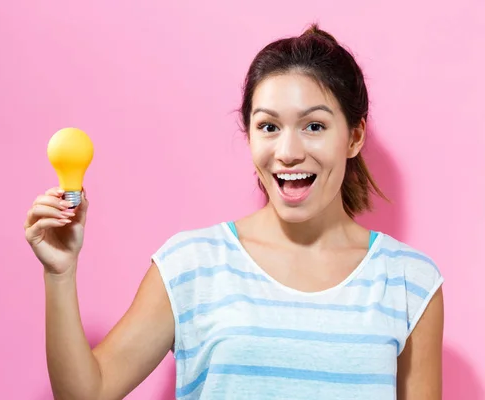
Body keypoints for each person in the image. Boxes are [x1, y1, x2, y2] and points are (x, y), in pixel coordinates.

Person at [24, 24, 444, 400]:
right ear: (249, 136)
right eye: (268, 126)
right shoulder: (191, 264)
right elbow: (87, 393)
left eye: (314, 126)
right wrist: (59, 274)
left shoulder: (410, 281)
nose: (289, 152)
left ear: (354, 137)